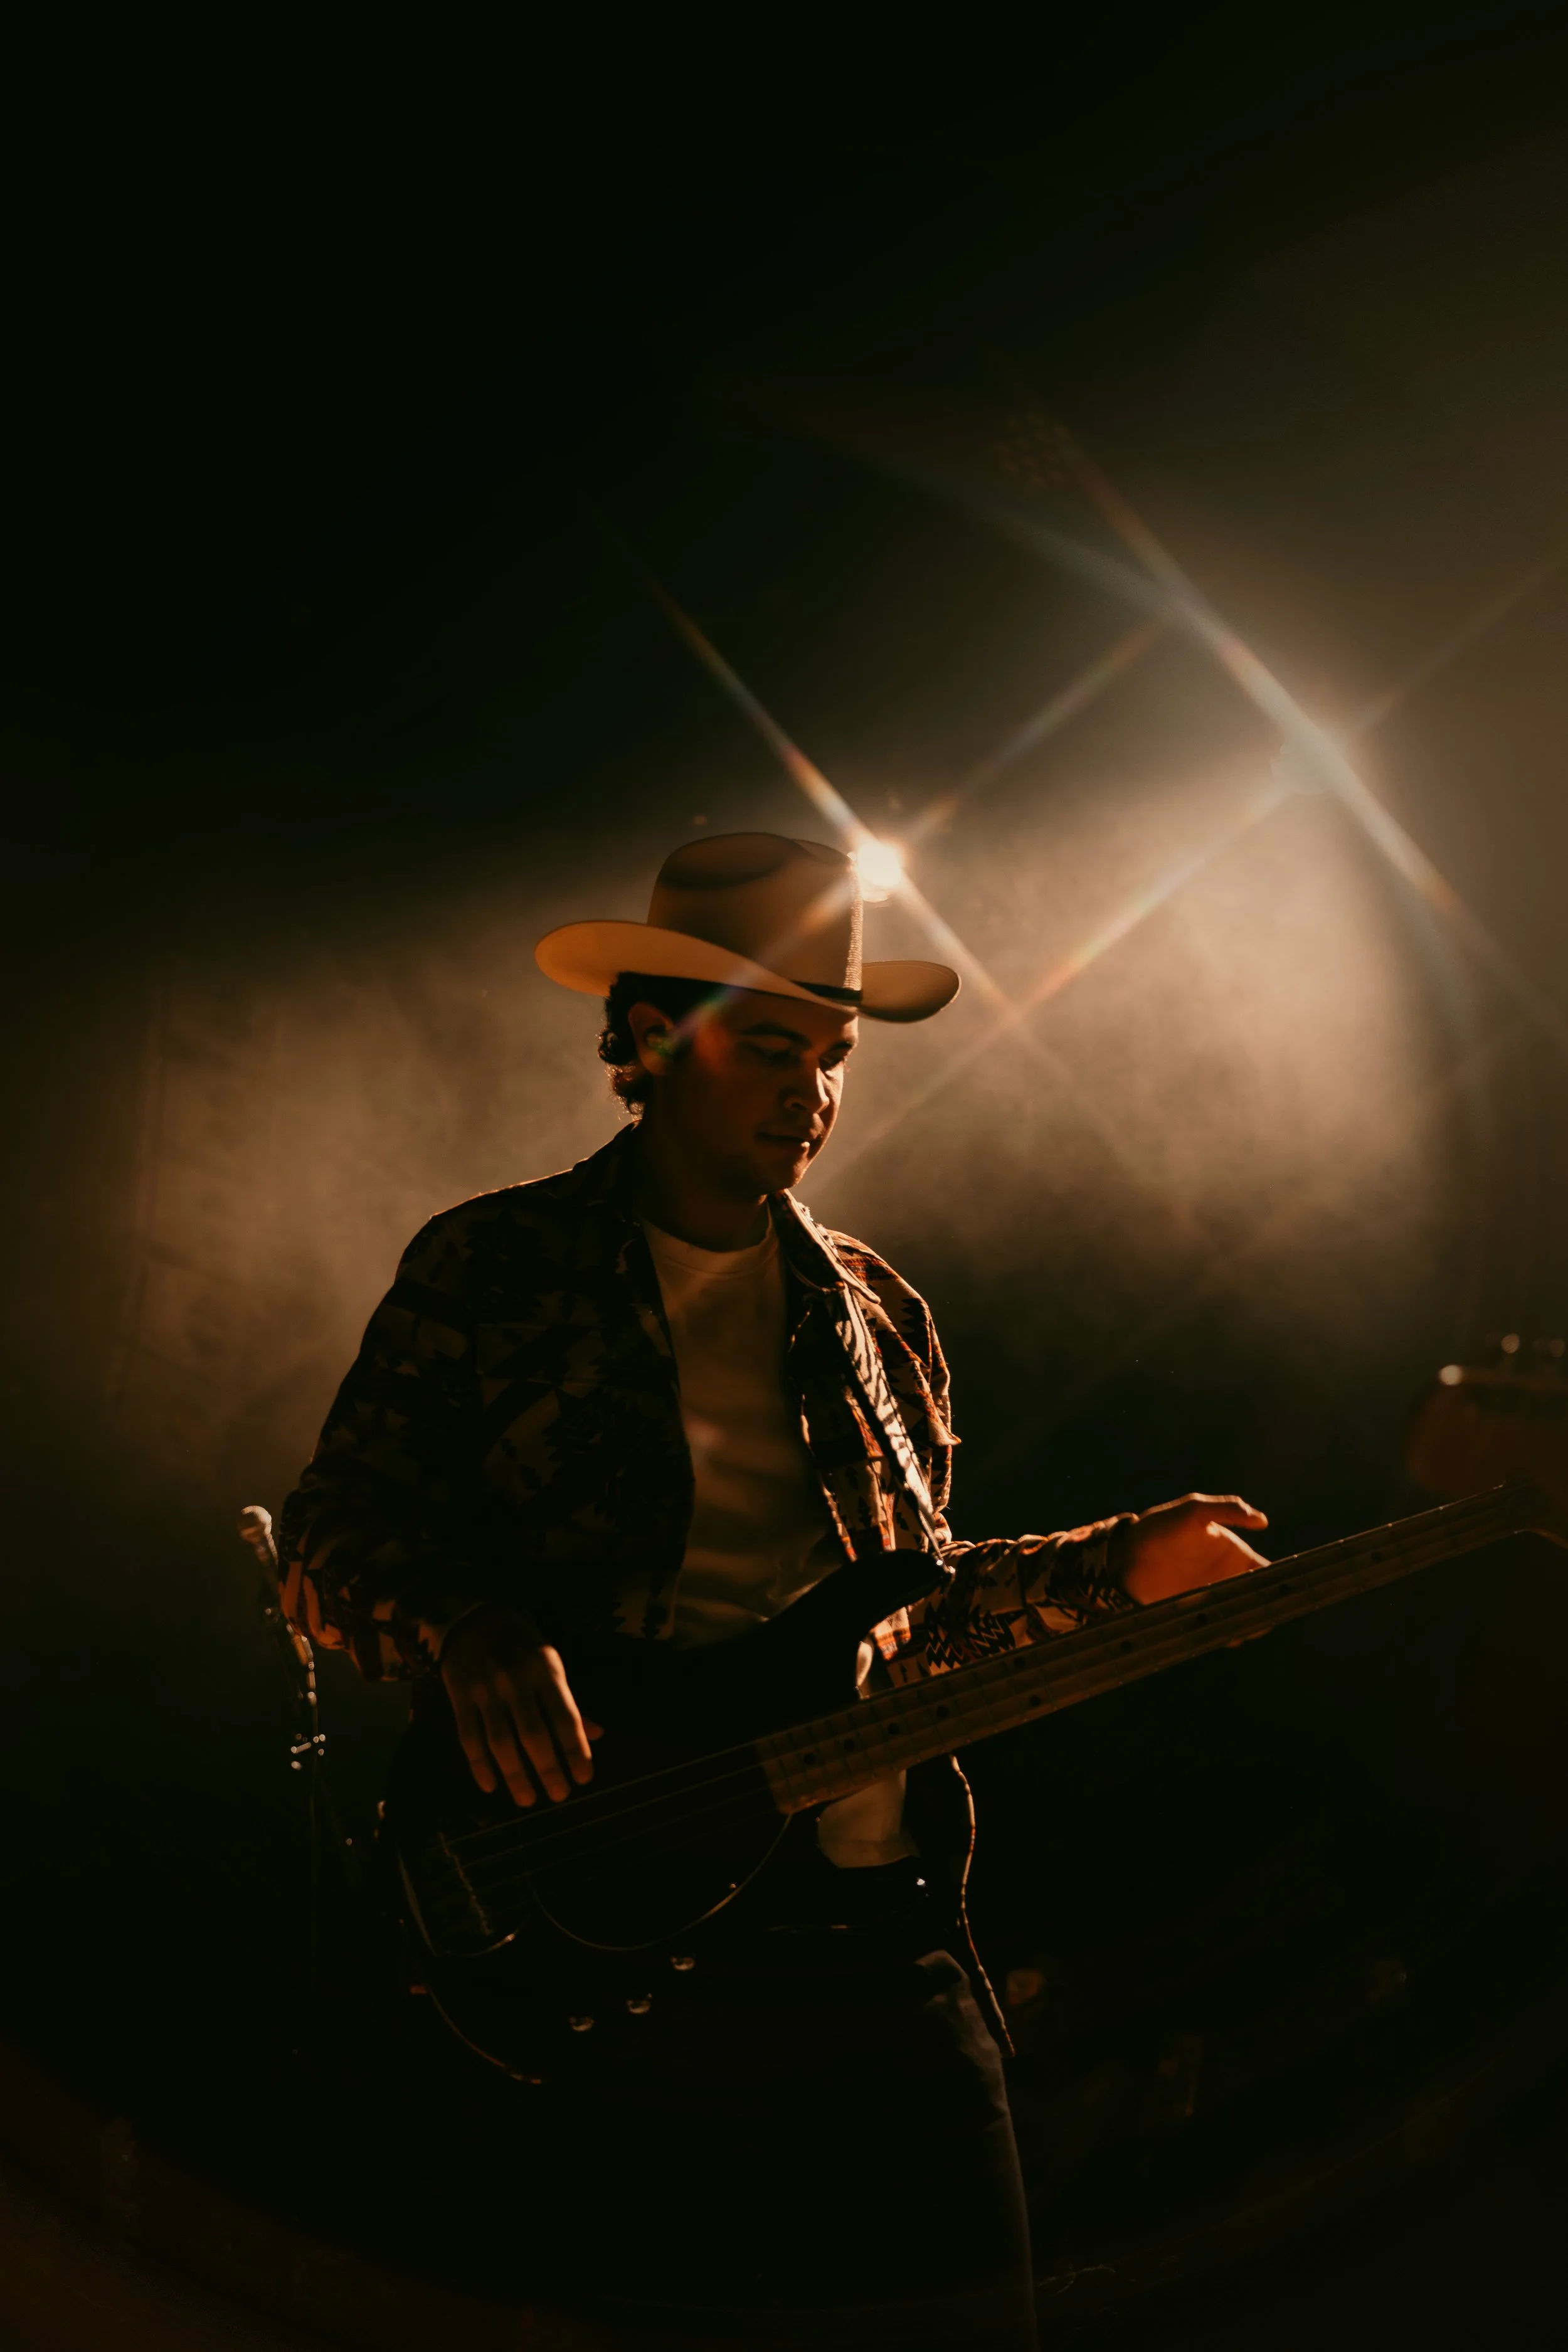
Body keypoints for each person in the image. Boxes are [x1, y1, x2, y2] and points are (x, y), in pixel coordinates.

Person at [280, 832, 1267, 2350]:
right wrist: (470, 1631)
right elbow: (332, 1539)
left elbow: (915, 1620)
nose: (808, 1093)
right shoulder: (493, 1269)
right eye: (767, 1047)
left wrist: (1117, 1567)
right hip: (630, 1956)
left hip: (883, 1953)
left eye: (834, 1056)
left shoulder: (876, 1314)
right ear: (653, 1037)